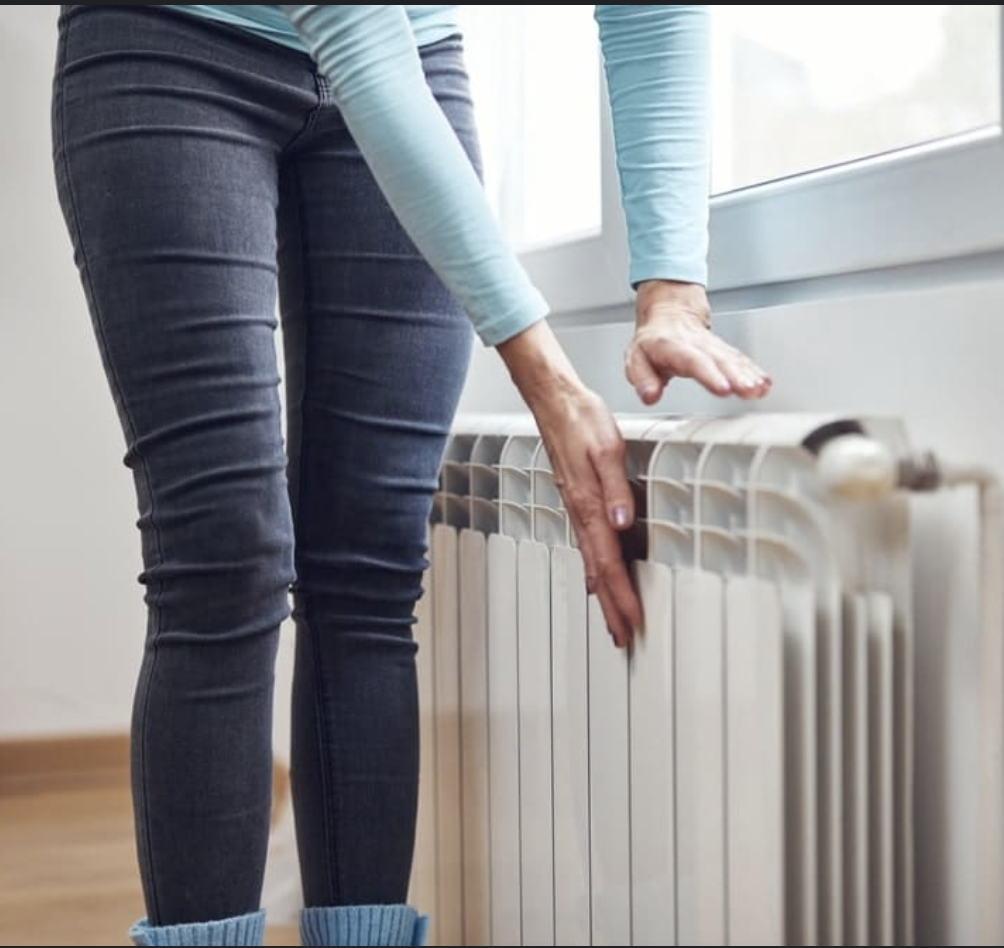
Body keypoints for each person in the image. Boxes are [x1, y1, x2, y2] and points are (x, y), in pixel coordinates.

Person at [51, 4, 770, 946]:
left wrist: (671, 288)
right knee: (225, 555)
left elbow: (652, 13)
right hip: (169, 41)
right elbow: (352, 32)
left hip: (412, 56)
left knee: (372, 566)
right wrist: (548, 380)